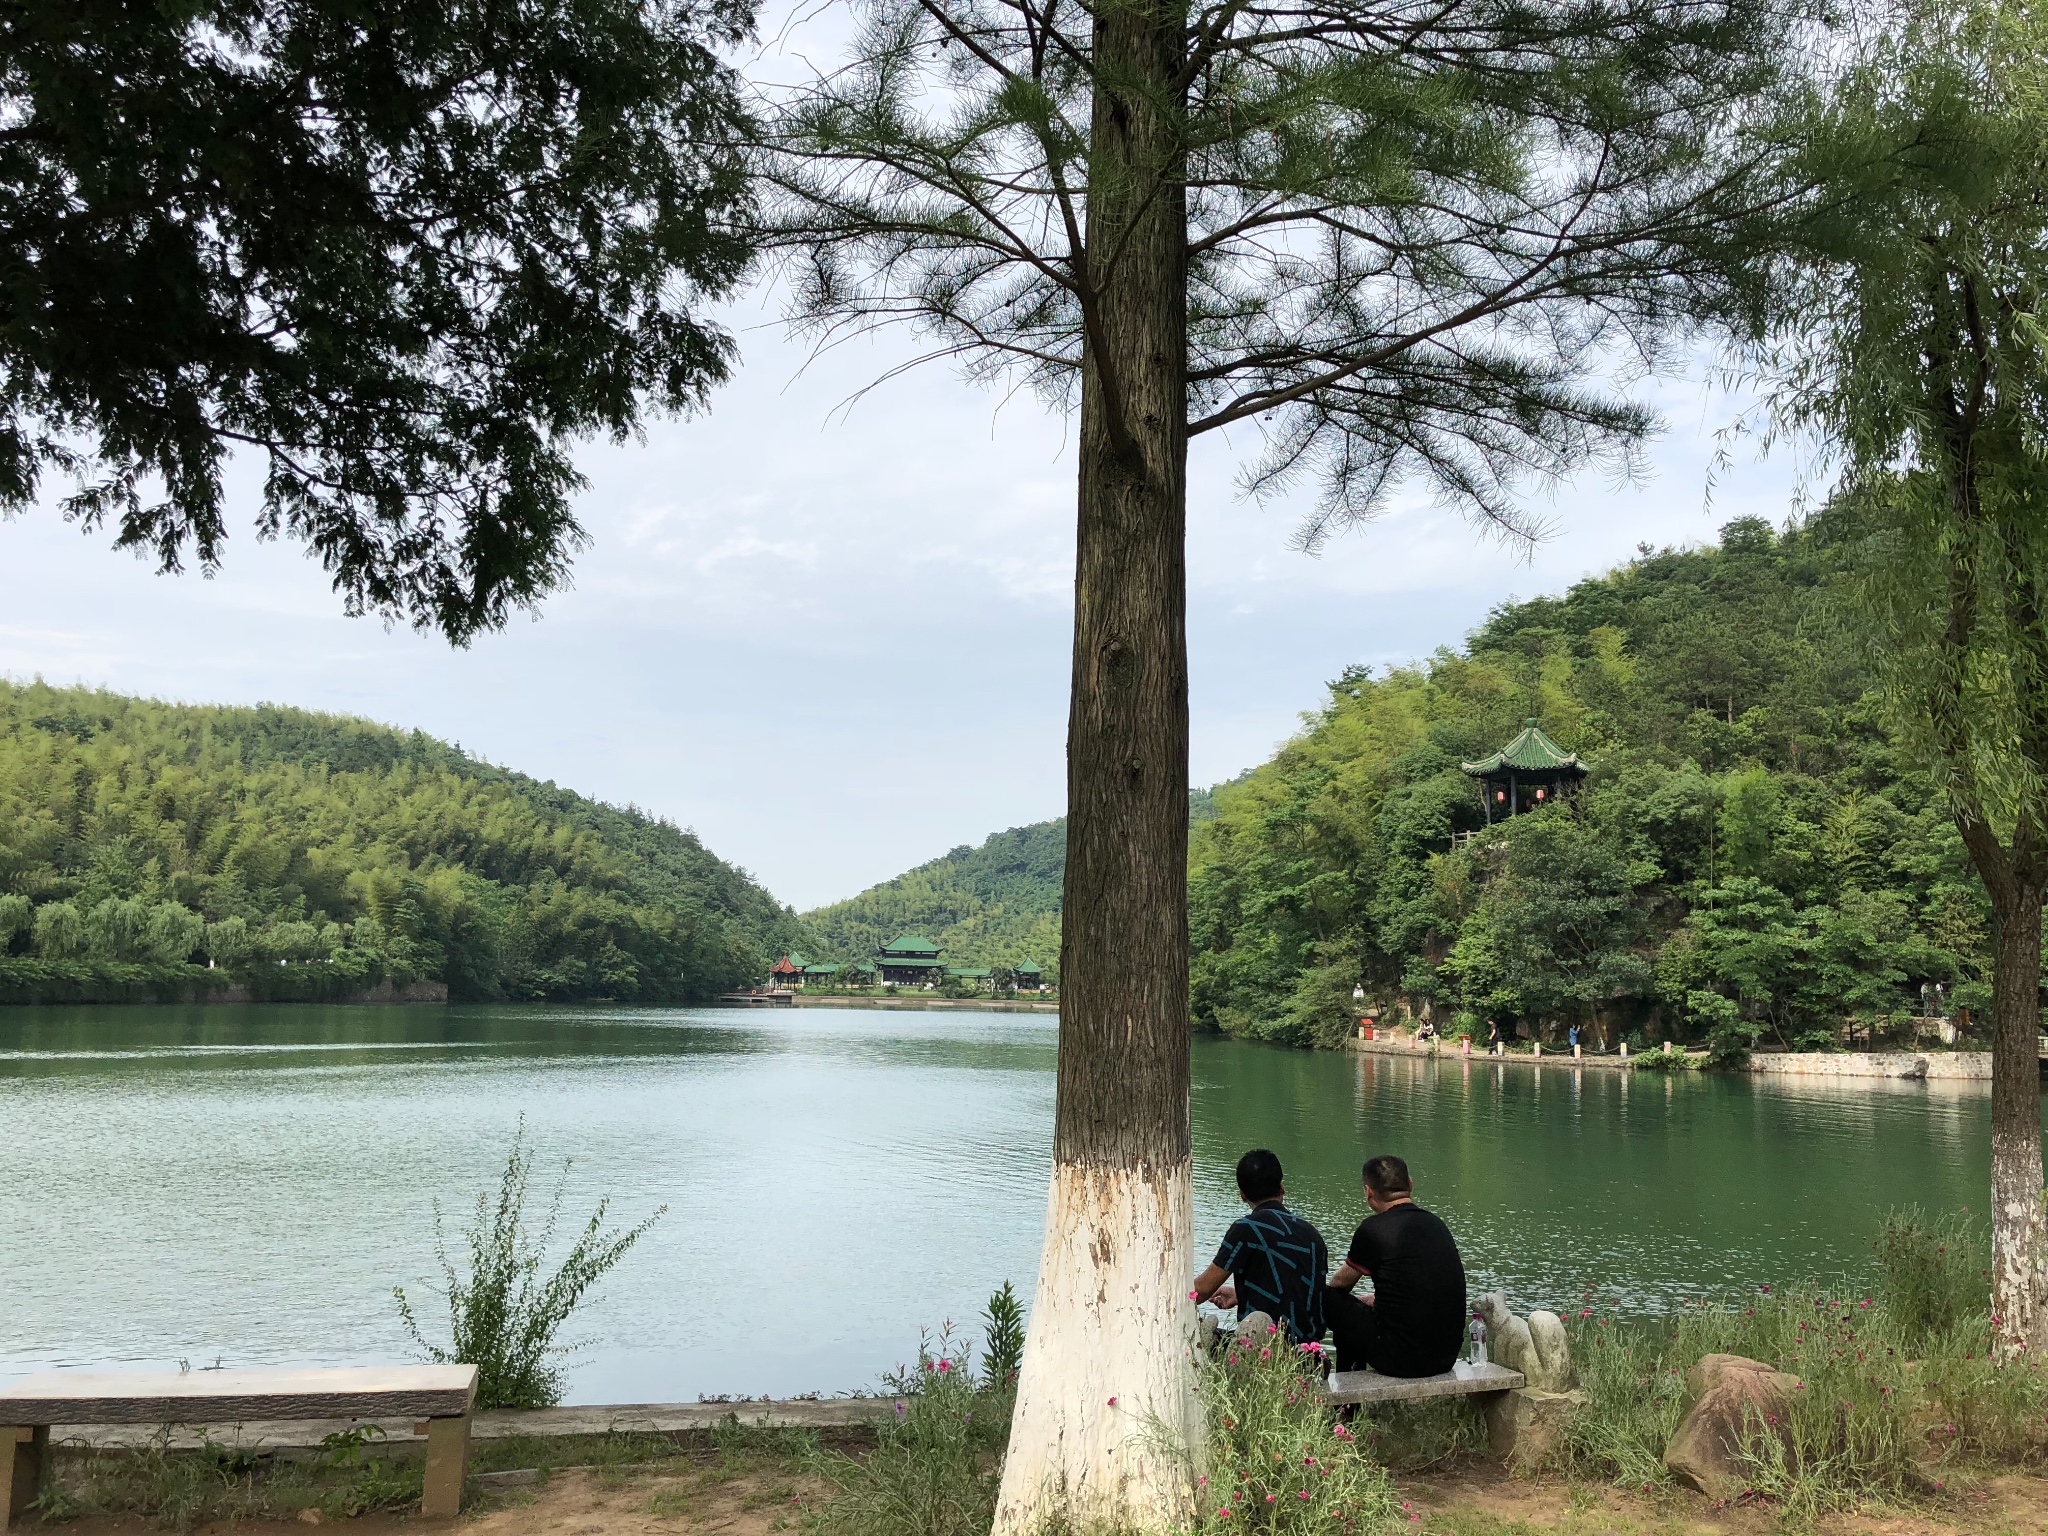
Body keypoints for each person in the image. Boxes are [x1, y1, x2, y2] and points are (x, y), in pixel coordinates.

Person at [1324, 1154, 1467, 1376]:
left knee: (1328, 1297)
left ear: (1369, 1193)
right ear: (1410, 1185)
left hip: (1401, 1361)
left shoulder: (1373, 1230)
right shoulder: (1437, 1225)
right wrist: (1375, 1301)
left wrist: (1356, 1302)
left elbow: (1339, 1285)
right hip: (1445, 1357)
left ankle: (1347, 1399)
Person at [1191, 1149, 1329, 1346]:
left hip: (1265, 1349)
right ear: (1282, 1187)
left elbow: (1202, 1290)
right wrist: (1241, 1296)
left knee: (1200, 1336)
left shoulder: (1246, 1229)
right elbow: (1302, 1292)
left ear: (1242, 1195)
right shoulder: (1313, 1235)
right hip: (1308, 1350)